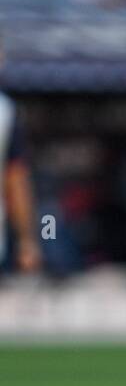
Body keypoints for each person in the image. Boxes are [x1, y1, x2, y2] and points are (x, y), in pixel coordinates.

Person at [0, 72, 41, 274]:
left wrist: (27, 240)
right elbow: (16, 178)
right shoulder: (4, 111)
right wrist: (27, 241)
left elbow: (15, 178)